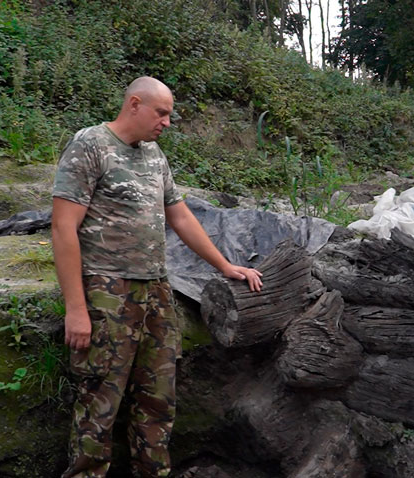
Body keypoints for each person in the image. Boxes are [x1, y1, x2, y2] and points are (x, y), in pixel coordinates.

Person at [52, 76, 263, 478]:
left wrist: (224, 265)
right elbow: (63, 228)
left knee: (158, 400)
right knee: (99, 400)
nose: (167, 122)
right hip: (106, 291)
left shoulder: (154, 155)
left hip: (156, 292)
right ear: (134, 104)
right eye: (161, 113)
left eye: (169, 115)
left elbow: (180, 215)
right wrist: (76, 308)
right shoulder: (91, 146)